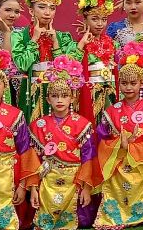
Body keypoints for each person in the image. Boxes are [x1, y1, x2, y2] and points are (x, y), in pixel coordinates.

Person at [93, 40, 143, 229]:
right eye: (124, 83)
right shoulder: (112, 111)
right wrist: (119, 144)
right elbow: (102, 138)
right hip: (117, 164)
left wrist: (132, 147)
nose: (128, 87)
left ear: (142, 83)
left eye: (133, 83)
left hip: (142, 164)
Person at [29, 55, 100, 229]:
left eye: (64, 96)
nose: (59, 100)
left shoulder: (83, 125)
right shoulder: (38, 125)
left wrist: (86, 188)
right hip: (48, 178)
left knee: (81, 220)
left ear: (72, 98)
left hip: (74, 180)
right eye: (54, 96)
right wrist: (33, 188)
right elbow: (32, 160)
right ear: (48, 100)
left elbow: (89, 158)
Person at [0, 50, 41, 230]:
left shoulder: (16, 115)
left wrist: (22, 185)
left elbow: (26, 152)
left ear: (5, 87)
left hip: (8, 177)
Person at [12, 0, 79, 121]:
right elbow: (22, 65)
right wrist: (34, 40)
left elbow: (66, 71)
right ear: (31, 10)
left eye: (52, 7)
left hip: (58, 97)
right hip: (31, 95)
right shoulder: (20, 35)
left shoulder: (64, 37)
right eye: (42, 7)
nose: (48, 12)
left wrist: (55, 43)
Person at [73, 0, 117, 124]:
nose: (100, 24)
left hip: (112, 93)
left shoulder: (113, 43)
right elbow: (71, 66)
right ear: (85, 20)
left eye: (104, 19)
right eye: (95, 19)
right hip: (90, 95)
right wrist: (82, 45)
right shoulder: (78, 43)